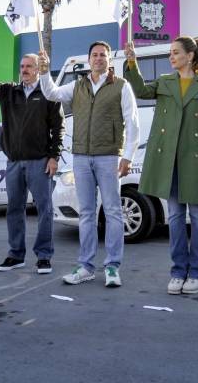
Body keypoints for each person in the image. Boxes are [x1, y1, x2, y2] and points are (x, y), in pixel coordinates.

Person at [124, 36, 198, 295]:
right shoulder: (165, 82)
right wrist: (132, 63)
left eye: (176, 52)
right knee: (176, 217)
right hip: (169, 161)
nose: (172, 56)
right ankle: (178, 272)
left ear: (190, 56)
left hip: (196, 160)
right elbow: (141, 91)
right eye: (171, 52)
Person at [38, 41, 140, 288]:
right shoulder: (78, 86)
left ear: (108, 59)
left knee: (114, 212)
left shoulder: (121, 86)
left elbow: (133, 122)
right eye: (94, 55)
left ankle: (113, 267)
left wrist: (128, 156)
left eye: (103, 55)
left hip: (109, 157)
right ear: (89, 59)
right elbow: (51, 93)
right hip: (81, 157)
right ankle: (86, 266)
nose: (98, 58)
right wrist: (43, 72)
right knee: (86, 213)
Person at [0, 39, 64, 274]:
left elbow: (59, 128)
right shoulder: (8, 91)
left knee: (44, 210)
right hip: (14, 163)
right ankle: (15, 255)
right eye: (22, 66)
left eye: (29, 66)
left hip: (40, 162)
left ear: (38, 69)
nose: (24, 70)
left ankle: (44, 256)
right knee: (14, 210)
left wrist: (53, 157)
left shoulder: (49, 93)